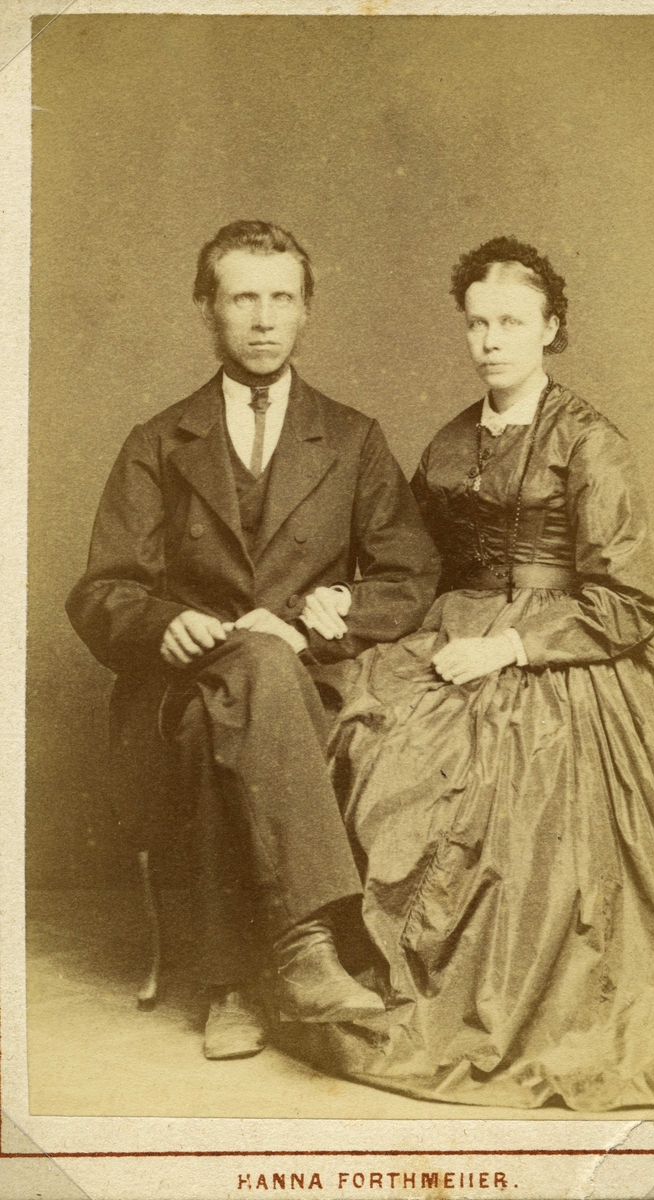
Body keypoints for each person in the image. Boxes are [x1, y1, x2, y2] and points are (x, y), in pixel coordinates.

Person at [317, 236, 654, 1112]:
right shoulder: (453, 439)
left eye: (511, 322)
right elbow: (413, 560)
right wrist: (350, 596)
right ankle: (364, 969)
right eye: (477, 323)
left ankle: (495, 996)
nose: (491, 340)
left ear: (550, 328)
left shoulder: (591, 442)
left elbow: (630, 603)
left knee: (517, 801)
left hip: (564, 658)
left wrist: (509, 647)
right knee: (371, 736)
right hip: (452, 632)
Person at [66, 220, 440, 1062]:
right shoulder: (158, 440)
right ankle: (304, 954)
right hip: (184, 687)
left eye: (281, 298)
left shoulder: (353, 437)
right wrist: (163, 622)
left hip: (313, 681)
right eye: (242, 298)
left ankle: (236, 981)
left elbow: (410, 575)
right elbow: (101, 591)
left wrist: (314, 614)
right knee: (224, 702)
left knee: (257, 681)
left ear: (306, 310)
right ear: (207, 309)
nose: (264, 319)